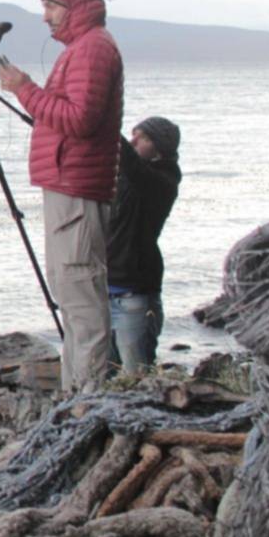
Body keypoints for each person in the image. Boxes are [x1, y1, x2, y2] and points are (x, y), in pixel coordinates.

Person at [0, 0, 124, 392]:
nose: (45, 16)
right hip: (71, 184)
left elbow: (79, 120)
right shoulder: (85, 48)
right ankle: (75, 400)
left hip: (77, 188)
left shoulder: (91, 50)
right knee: (72, 299)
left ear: (76, 7)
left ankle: (84, 404)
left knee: (81, 300)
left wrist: (24, 89)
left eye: (52, 6)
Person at [107, 117, 181, 373]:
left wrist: (104, 119)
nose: (134, 140)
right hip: (104, 287)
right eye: (133, 134)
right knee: (103, 370)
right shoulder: (126, 176)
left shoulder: (162, 181)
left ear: (160, 148)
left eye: (143, 138)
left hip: (134, 293)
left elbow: (133, 166)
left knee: (136, 374)